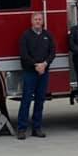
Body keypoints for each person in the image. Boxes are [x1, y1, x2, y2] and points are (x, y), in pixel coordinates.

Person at [17, 11, 55, 140]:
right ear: (32, 21)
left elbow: (52, 52)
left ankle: (36, 128)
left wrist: (44, 64)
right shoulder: (26, 36)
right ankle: (21, 129)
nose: (38, 21)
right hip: (30, 73)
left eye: (40, 19)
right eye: (36, 19)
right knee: (26, 101)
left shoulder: (47, 35)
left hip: (43, 72)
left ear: (43, 21)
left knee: (40, 101)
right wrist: (36, 65)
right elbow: (24, 54)